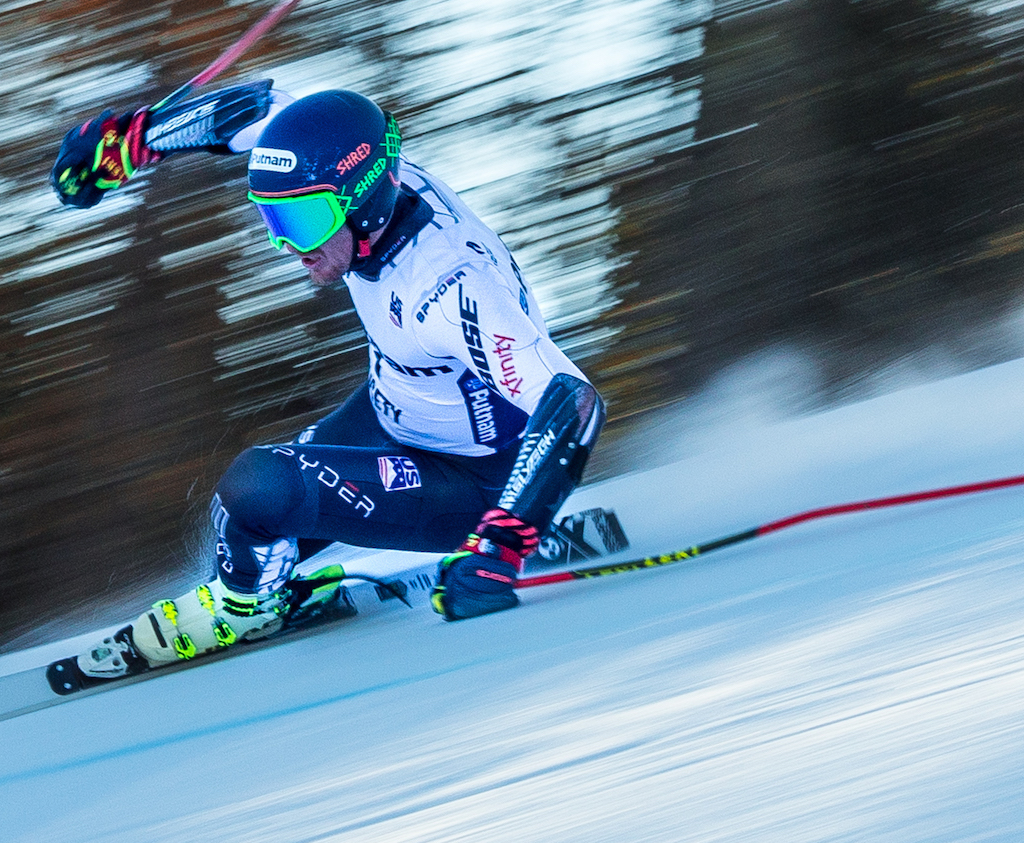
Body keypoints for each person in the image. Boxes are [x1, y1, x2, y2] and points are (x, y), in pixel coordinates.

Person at [49, 82, 606, 678]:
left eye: (302, 219)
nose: (287, 243)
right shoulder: (361, 172)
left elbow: (573, 401)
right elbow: (253, 111)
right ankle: (250, 594)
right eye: (272, 216)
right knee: (240, 524)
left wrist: (499, 549)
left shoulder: (451, 286)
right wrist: (131, 143)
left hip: (476, 478)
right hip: (396, 411)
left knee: (258, 486)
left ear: (361, 201)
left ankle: (246, 609)